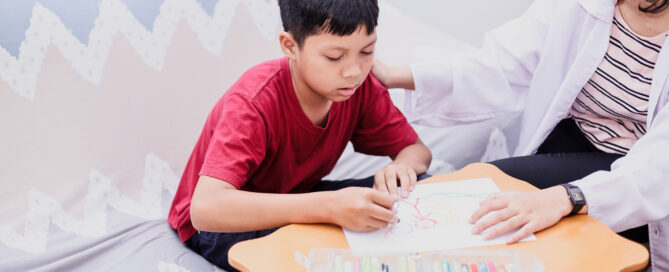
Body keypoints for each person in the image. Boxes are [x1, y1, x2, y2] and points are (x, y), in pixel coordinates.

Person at [373, 0, 669, 270]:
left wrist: (567, 198)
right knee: (485, 195)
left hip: (637, 175)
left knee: (493, 199)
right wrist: (393, 76)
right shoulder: (582, 6)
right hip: (575, 139)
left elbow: (657, 168)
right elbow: (502, 62)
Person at [167, 0, 432, 270]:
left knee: (419, 186)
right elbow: (206, 209)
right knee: (321, 257)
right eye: (334, 57)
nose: (354, 71)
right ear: (290, 46)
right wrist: (329, 207)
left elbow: (417, 151)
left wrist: (400, 168)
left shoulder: (357, 88)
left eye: (367, 51)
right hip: (222, 225)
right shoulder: (253, 101)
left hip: (300, 196)